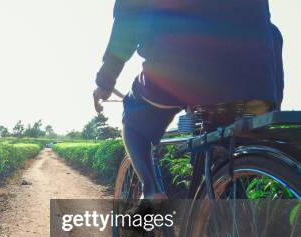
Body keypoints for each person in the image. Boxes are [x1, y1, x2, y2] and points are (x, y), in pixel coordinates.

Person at [93, 0, 284, 200]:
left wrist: (105, 81)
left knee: (133, 122)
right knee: (215, 145)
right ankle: (229, 216)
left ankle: (151, 191)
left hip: (179, 68)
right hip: (257, 76)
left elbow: (127, 21)